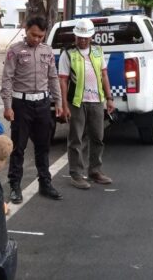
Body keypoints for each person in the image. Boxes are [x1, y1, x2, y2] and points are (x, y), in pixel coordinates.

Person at [1, 16, 63, 203]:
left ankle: (45, 183)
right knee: (18, 148)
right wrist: (7, 106)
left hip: (43, 105)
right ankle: (15, 187)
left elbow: (53, 77)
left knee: (43, 146)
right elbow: (7, 79)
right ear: (25, 29)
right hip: (22, 105)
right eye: (33, 35)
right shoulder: (15, 51)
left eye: (41, 36)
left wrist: (58, 102)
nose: (36, 39)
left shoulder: (47, 51)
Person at [58, 19, 115, 190]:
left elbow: (104, 75)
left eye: (86, 37)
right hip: (76, 102)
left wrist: (109, 98)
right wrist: (64, 105)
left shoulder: (98, 51)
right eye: (79, 37)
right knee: (76, 139)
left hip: (97, 102)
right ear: (75, 36)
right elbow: (63, 80)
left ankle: (95, 171)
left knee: (98, 137)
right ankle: (76, 174)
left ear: (91, 36)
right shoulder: (67, 54)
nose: (82, 40)